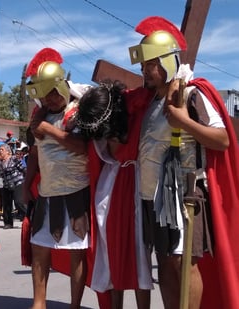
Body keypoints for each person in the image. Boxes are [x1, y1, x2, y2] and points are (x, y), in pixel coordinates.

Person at [127, 16, 239, 309]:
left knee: (184, 263)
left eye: (149, 65)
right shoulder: (151, 101)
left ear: (165, 62)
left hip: (184, 194)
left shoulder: (192, 93)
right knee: (164, 263)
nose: (144, 72)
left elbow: (223, 139)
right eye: (142, 66)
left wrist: (183, 122)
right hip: (152, 196)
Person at [75, 82, 155, 309]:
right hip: (108, 189)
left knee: (140, 256)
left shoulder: (132, 107)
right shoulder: (97, 117)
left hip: (136, 185)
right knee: (111, 255)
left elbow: (147, 92)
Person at [23, 47, 91, 309]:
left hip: (76, 191)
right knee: (40, 251)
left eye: (52, 92)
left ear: (62, 86)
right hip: (47, 192)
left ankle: (74, 305)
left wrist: (49, 129)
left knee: (77, 253)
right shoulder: (38, 116)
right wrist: (27, 182)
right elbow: (34, 152)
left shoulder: (80, 109)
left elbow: (83, 146)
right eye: (43, 94)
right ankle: (38, 304)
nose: (49, 99)